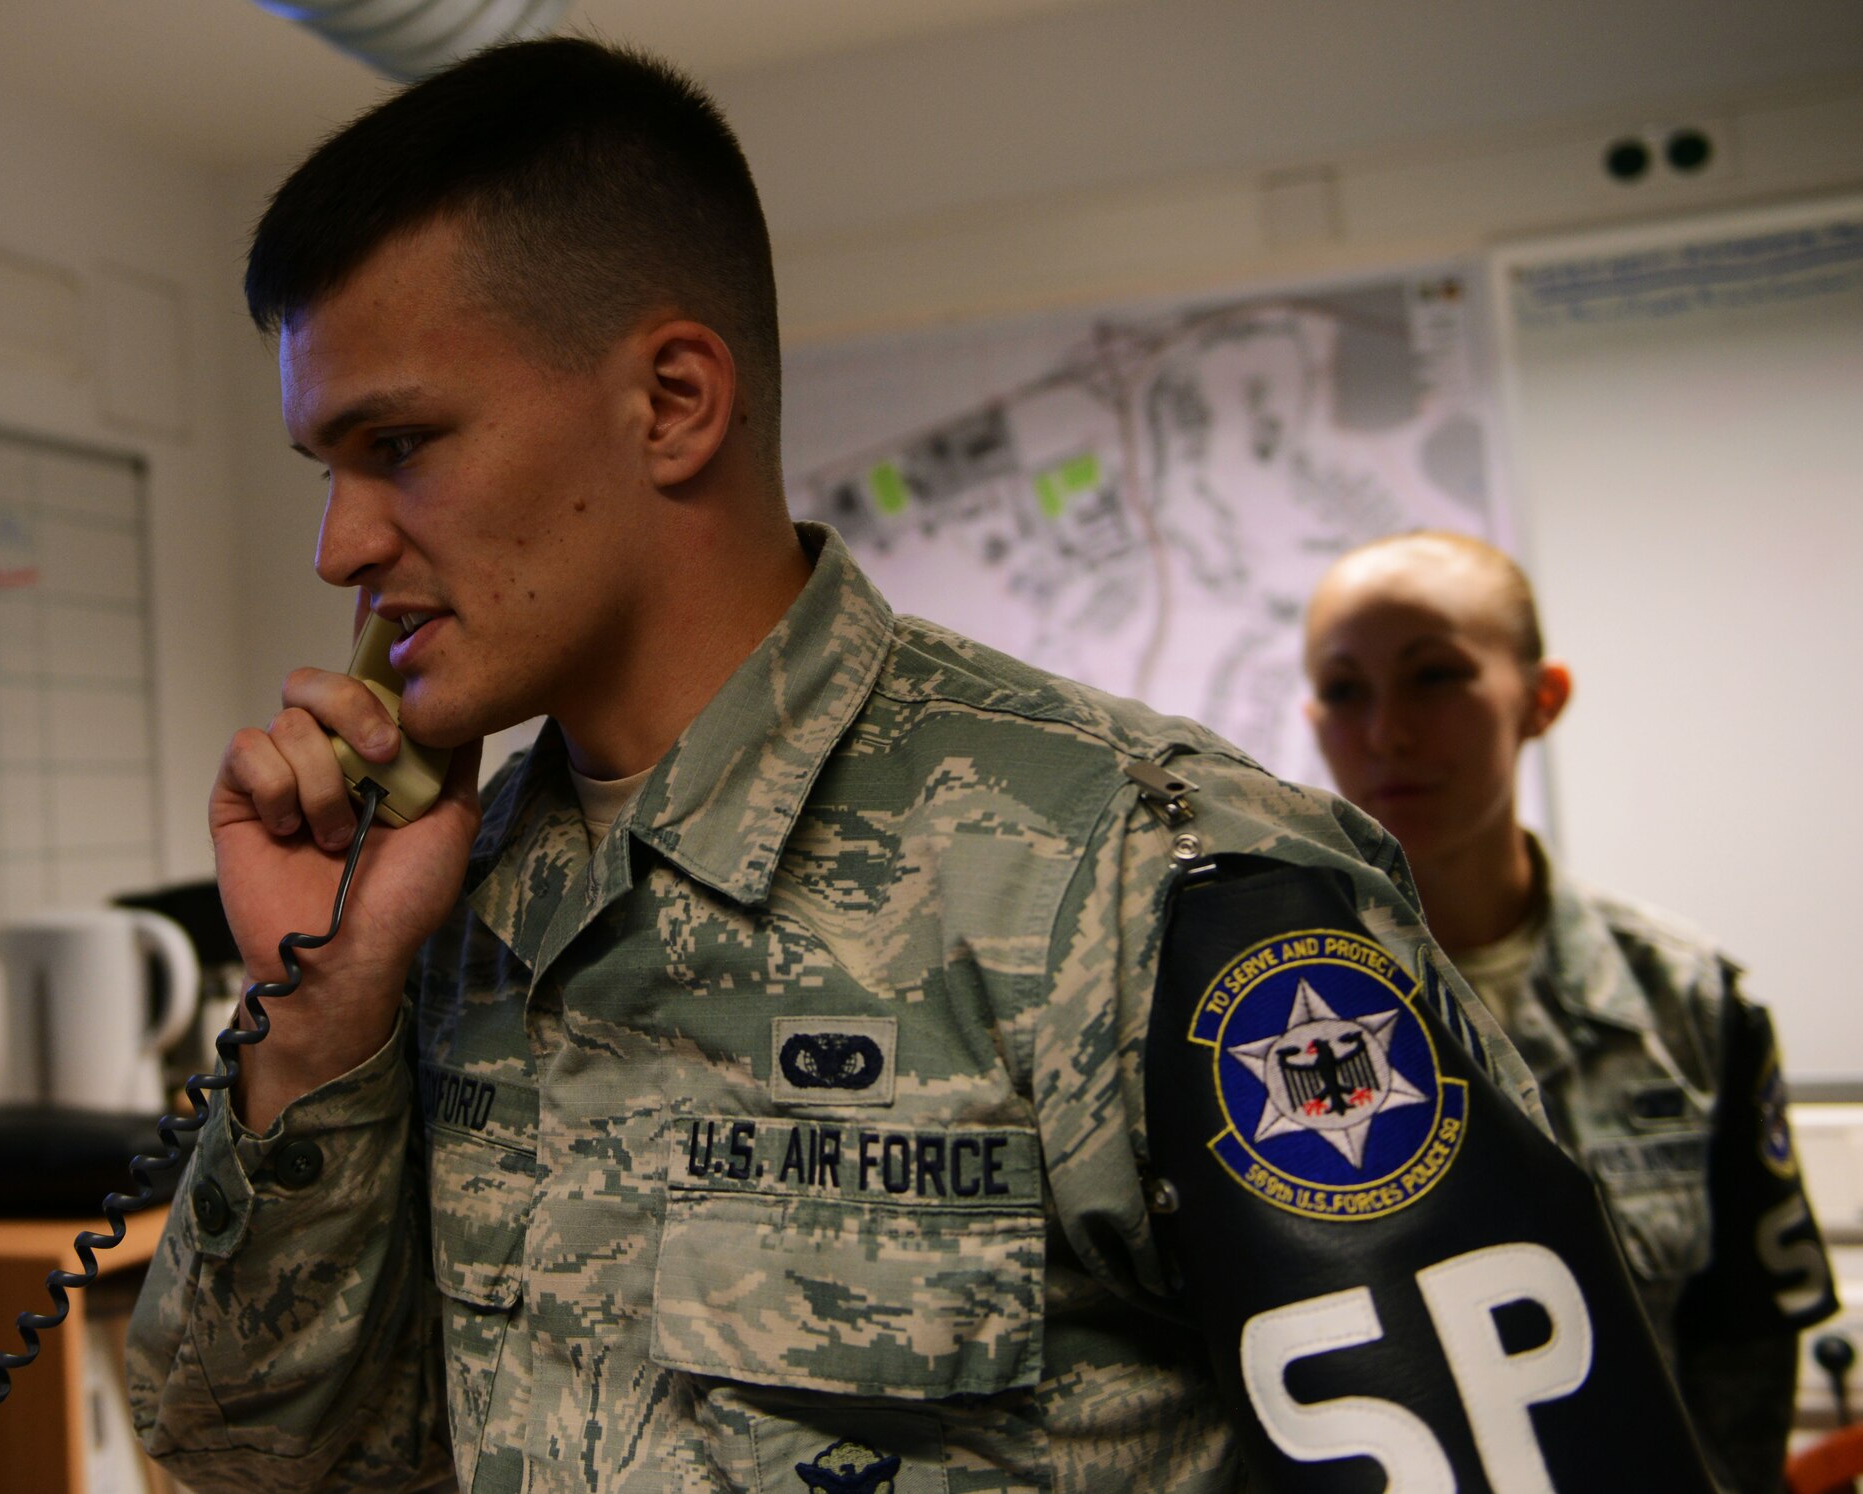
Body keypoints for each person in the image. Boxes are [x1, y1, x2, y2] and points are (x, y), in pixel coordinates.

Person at [128, 38, 1730, 1493]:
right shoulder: (434, 909)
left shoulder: (1161, 877)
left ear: (673, 403)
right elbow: (234, 1454)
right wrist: (318, 1024)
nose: (340, 542)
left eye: (398, 445)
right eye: (323, 466)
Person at [1303, 529, 1838, 1494]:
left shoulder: (1686, 1005)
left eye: (1434, 677)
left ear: (1539, 700)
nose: (1386, 733)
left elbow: (1742, 1369)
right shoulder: (1266, 1021)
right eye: (1345, 692)